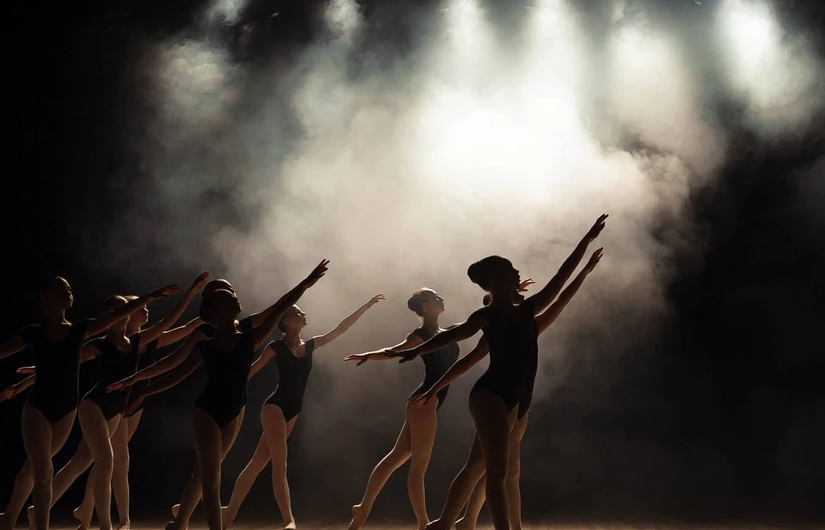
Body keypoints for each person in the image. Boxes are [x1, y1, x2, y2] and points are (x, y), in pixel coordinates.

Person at [392, 215, 607, 530]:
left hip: (520, 399)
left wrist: (585, 255)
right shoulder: (487, 317)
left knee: (485, 468)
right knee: (497, 473)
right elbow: (453, 339)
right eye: (510, 269)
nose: (517, 272)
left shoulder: (529, 315)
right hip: (490, 396)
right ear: (496, 282)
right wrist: (418, 353)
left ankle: (446, 524)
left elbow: (561, 287)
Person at [0, 277, 180, 530]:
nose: (69, 292)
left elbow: (116, 316)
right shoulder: (33, 333)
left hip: (67, 409)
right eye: (62, 289)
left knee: (33, 468)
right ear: (44, 297)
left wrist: (150, 297)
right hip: (38, 407)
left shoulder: (80, 330)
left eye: (70, 289)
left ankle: (8, 517)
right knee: (44, 470)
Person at [106, 260, 330, 530]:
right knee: (211, 479)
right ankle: (194, 523)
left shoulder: (248, 335)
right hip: (208, 411)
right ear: (212, 307)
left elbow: (279, 308)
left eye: (233, 293)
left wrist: (306, 283)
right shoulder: (206, 340)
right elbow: (174, 367)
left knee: (206, 473)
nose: (234, 295)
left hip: (235, 409)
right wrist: (138, 385)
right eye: (226, 295)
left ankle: (180, 522)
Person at [0, 271, 212, 530]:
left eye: (125, 310)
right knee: (107, 461)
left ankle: (74, 512)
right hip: (96, 405)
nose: (124, 314)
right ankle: (107, 524)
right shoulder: (100, 345)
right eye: (117, 311)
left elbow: (172, 323)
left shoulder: (138, 341)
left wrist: (193, 294)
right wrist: (26, 381)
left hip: (119, 408)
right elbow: (61, 364)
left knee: (88, 461)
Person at [340, 280, 531, 530]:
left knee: (396, 457)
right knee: (418, 467)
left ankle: (363, 508)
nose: (441, 298)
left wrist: (508, 295)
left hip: (425, 401)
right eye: (435, 296)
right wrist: (368, 355)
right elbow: (395, 350)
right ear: (425, 306)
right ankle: (423, 524)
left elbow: (484, 317)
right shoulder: (420, 335)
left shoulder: (448, 331)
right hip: (424, 402)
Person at [221, 293, 386, 530]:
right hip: (274, 407)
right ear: (287, 322)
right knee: (280, 463)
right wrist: (224, 380)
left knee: (257, 463)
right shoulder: (275, 347)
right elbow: (250, 371)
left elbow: (340, 329)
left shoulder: (310, 345)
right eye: (298, 313)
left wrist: (366, 306)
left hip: (293, 410)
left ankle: (226, 513)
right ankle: (289, 520)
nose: (304, 314)